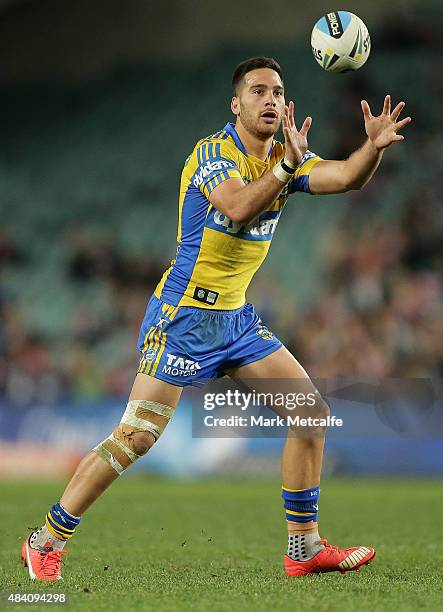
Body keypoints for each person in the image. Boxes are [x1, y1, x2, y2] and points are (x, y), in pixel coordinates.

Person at [21, 56, 411, 580]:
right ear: (237, 104)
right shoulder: (213, 154)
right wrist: (286, 168)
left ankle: (304, 549)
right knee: (135, 436)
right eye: (258, 92)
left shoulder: (284, 156)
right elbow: (237, 208)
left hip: (236, 322)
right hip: (183, 317)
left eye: (278, 92)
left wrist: (372, 148)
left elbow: (345, 178)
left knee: (310, 414)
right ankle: (45, 540)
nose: (270, 100)